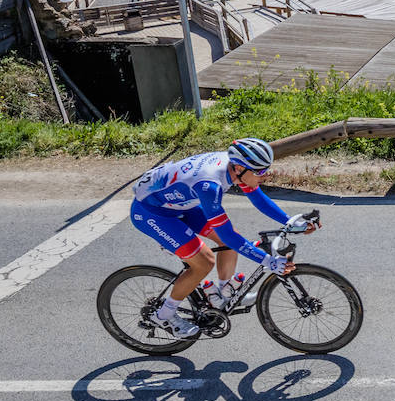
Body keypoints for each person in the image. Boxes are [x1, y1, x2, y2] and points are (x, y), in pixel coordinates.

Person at [129, 137, 317, 338]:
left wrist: (289, 221)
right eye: (260, 171)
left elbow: (258, 199)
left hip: (179, 204)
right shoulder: (209, 185)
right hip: (152, 213)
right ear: (238, 168)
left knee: (227, 239)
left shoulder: (235, 168)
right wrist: (267, 261)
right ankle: (164, 314)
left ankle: (223, 293)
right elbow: (228, 236)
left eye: (265, 169)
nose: (265, 175)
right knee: (204, 261)